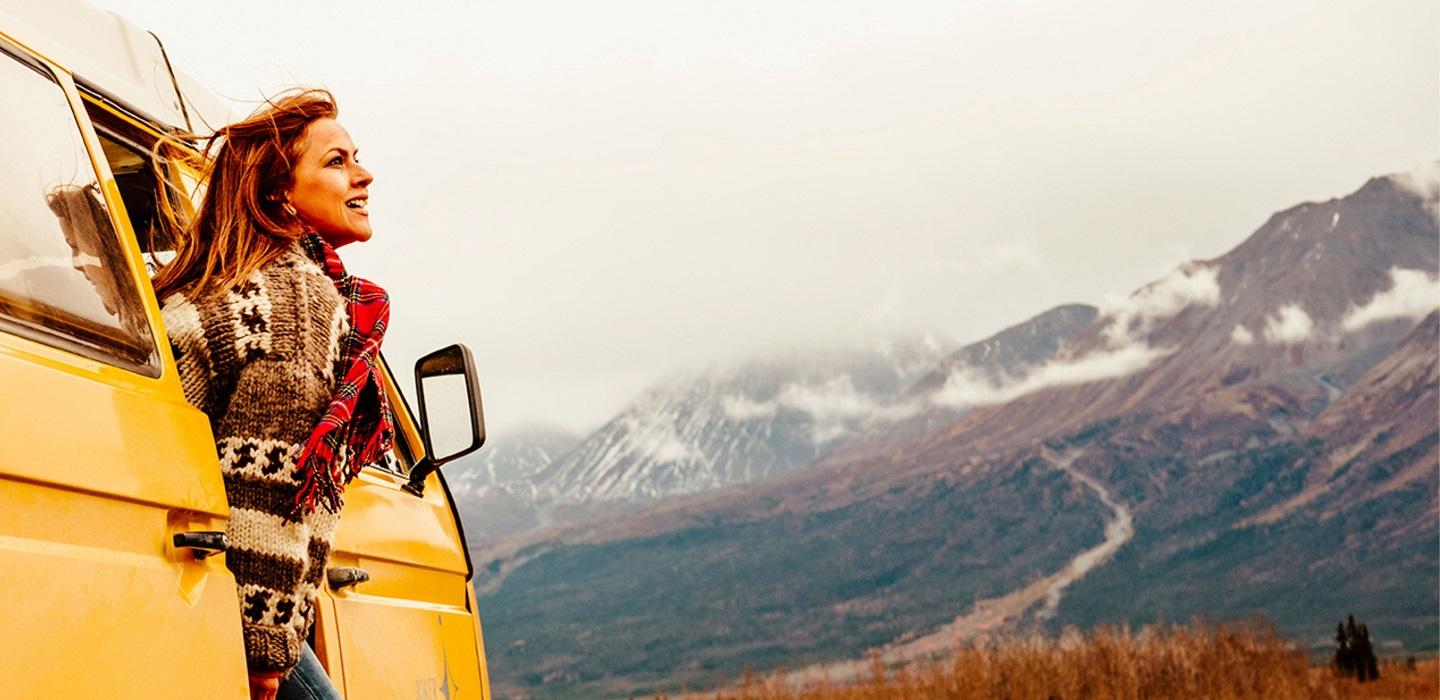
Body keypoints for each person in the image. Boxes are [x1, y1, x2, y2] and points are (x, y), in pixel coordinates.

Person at [152, 89, 394, 700]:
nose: (364, 174)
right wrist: (264, 652)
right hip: (223, 595)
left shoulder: (236, 282)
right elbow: (266, 482)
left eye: (356, 157)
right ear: (281, 192)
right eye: (336, 161)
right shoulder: (296, 300)